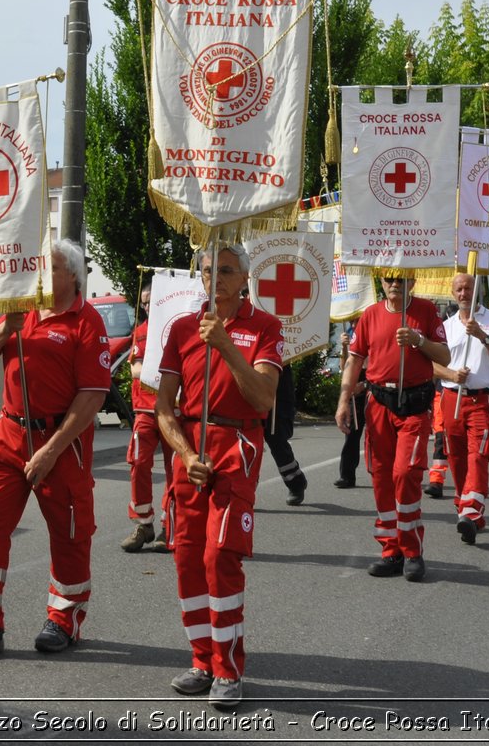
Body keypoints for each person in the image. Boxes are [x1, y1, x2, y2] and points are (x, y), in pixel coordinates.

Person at [0, 239, 109, 656]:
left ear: (72, 274)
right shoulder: (20, 313)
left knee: (69, 535)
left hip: (60, 445)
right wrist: (4, 328)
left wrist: (51, 450)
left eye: (48, 268)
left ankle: (63, 620)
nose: (38, 276)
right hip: (8, 438)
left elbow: (92, 396)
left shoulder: (86, 322)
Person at [155, 243, 282, 710]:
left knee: (219, 558)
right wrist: (186, 454)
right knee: (187, 558)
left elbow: (263, 398)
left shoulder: (265, 328)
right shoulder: (182, 328)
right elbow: (163, 409)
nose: (216, 280)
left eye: (226, 271)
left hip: (237, 452)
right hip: (190, 455)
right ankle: (201, 659)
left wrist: (226, 344)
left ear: (245, 278)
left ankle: (229, 669)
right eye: (208, 271)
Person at [336, 275, 450, 582]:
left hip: (414, 403)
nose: (394, 284)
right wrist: (343, 400)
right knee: (381, 476)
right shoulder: (371, 315)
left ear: (412, 280)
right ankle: (391, 550)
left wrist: (419, 341)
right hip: (379, 403)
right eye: (389, 279)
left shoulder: (426, 311)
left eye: (400, 279)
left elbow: (445, 355)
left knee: (405, 472)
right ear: (382, 282)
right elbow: (355, 361)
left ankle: (413, 550)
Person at [431, 273, 489, 544]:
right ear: (453, 293)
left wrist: (482, 336)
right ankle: (467, 509)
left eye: (468, 288)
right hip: (452, 398)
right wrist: (452, 375)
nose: (463, 294)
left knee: (478, 455)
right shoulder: (447, 325)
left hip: (482, 400)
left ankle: (471, 510)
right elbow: (432, 364)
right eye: (458, 289)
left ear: (477, 290)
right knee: (456, 456)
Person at [122, 285, 172, 552]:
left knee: (175, 470)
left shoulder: (179, 329)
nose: (147, 307)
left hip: (174, 413)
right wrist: (169, 377)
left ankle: (169, 526)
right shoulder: (140, 332)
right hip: (146, 411)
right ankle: (144, 524)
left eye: (151, 302)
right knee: (139, 463)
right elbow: (135, 370)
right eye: (144, 304)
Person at [262, 359, 309, 506]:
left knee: (276, 439)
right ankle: (243, 491)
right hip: (249, 384)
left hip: (278, 393)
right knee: (248, 441)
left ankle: (295, 482)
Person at [334, 327, 365, 488]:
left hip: (374, 381)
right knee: (352, 432)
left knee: (379, 435)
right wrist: (344, 346)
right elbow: (344, 365)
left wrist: (366, 385)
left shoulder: (371, 325)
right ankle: (346, 475)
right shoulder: (350, 329)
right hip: (355, 381)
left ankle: (388, 472)